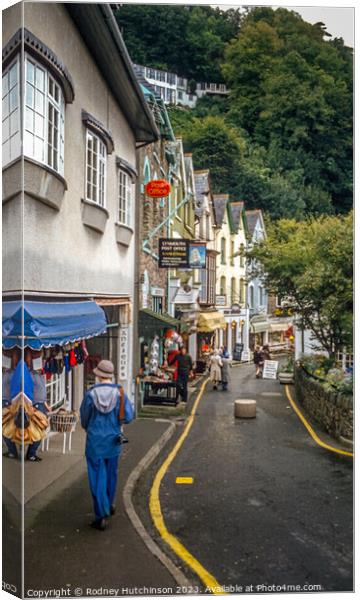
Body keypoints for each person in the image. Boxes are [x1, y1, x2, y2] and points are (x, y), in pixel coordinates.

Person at [80, 359, 134, 531]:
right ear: (111, 375)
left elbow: (85, 418)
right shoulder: (121, 393)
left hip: (95, 441)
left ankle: (101, 514)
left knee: (97, 476)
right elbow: (129, 416)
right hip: (113, 439)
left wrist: (91, 427)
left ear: (98, 375)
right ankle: (109, 504)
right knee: (111, 474)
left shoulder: (90, 394)